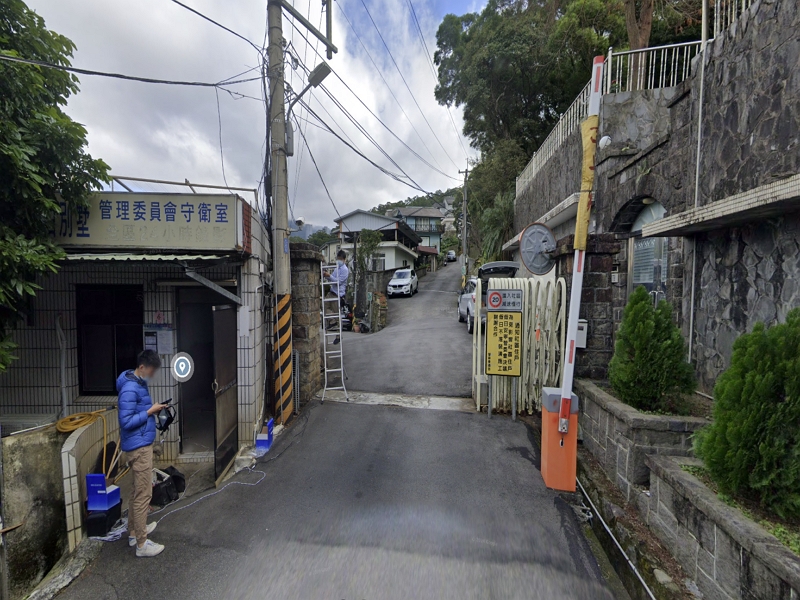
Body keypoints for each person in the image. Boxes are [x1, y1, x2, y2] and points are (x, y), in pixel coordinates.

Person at [117, 349, 167, 557]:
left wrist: (153, 410)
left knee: (136, 491)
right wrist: (149, 411)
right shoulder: (130, 388)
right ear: (142, 367)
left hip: (140, 443)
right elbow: (126, 422)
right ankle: (142, 544)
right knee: (143, 495)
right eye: (152, 371)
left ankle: (133, 533)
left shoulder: (137, 383)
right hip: (139, 448)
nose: (152, 375)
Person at [324, 250, 349, 344]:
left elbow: (338, 282)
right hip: (332, 292)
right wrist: (326, 275)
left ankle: (338, 336)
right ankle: (332, 321)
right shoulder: (336, 268)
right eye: (338, 259)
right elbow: (332, 279)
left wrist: (329, 276)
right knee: (324, 306)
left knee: (337, 316)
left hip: (338, 295)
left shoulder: (345, 270)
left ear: (344, 259)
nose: (339, 261)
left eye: (340, 259)